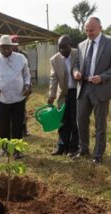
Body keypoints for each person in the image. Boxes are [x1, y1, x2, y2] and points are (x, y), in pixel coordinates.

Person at [73, 17, 111, 164]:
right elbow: (76, 64)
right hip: (83, 87)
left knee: (100, 123)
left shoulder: (109, 43)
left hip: (101, 88)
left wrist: (102, 77)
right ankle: (83, 149)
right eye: (86, 30)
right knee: (81, 120)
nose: (89, 33)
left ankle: (98, 155)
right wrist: (75, 72)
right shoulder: (81, 45)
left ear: (100, 28)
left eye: (92, 30)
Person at [0, 35, 31, 159]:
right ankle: (5, 149)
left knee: (17, 124)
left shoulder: (21, 58)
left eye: (7, 47)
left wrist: (27, 85)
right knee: (3, 125)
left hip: (19, 98)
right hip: (2, 99)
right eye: (3, 47)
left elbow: (26, 75)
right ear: (0, 47)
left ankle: (17, 150)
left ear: (12, 47)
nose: (5, 49)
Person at [47, 35, 79, 157]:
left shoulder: (78, 53)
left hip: (77, 92)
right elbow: (53, 78)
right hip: (64, 94)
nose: (62, 51)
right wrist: (51, 95)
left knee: (75, 121)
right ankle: (61, 146)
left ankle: (73, 148)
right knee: (63, 121)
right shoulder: (54, 60)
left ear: (70, 45)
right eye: (60, 48)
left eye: (64, 48)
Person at [10, 35, 30, 136]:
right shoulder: (7, 55)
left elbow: (27, 72)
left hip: (22, 85)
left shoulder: (23, 55)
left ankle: (24, 129)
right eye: (13, 44)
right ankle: (14, 129)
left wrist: (28, 86)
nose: (15, 46)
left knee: (22, 108)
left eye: (16, 43)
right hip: (11, 87)